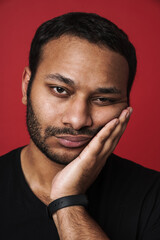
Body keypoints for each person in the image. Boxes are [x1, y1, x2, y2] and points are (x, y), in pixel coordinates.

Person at [0, 12, 160, 240]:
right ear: (27, 85)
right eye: (60, 90)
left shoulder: (153, 197)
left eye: (103, 99)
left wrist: (67, 202)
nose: (77, 120)